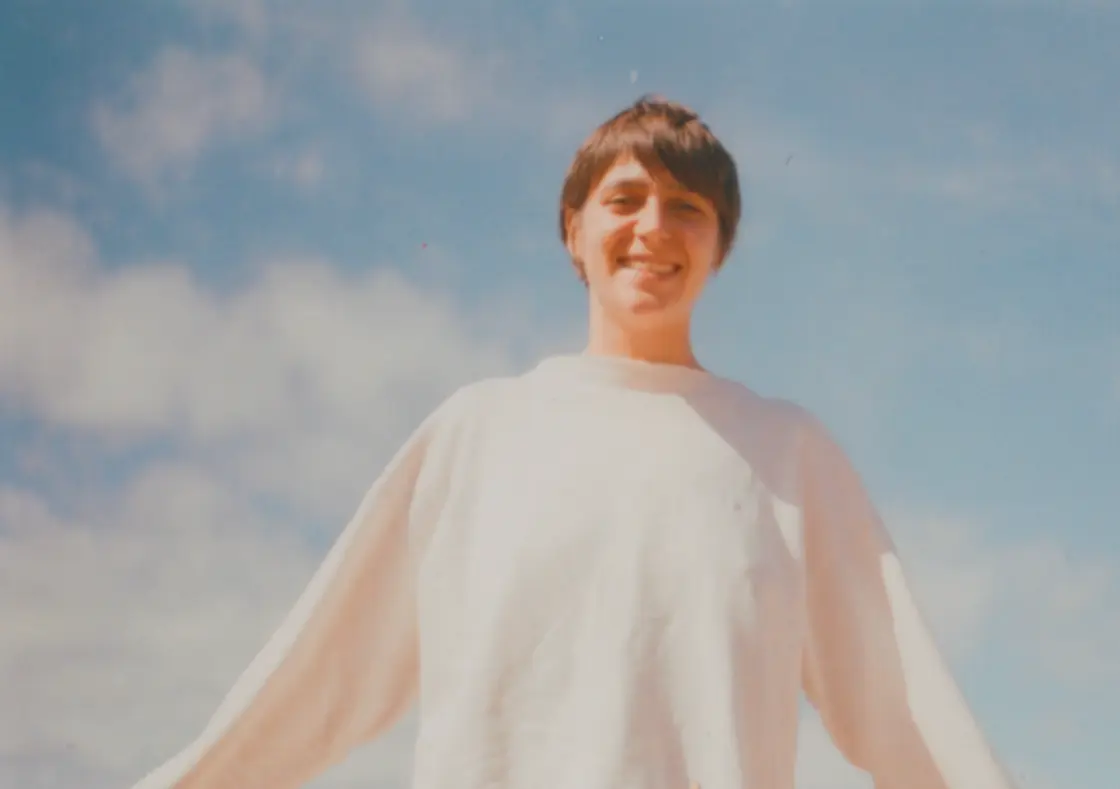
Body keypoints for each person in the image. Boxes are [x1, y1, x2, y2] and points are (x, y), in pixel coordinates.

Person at [130, 95, 1015, 789]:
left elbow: (911, 712)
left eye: (687, 206)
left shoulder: (787, 454)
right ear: (573, 229)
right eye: (624, 199)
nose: (654, 226)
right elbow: (313, 683)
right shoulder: (478, 433)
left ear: (720, 246)